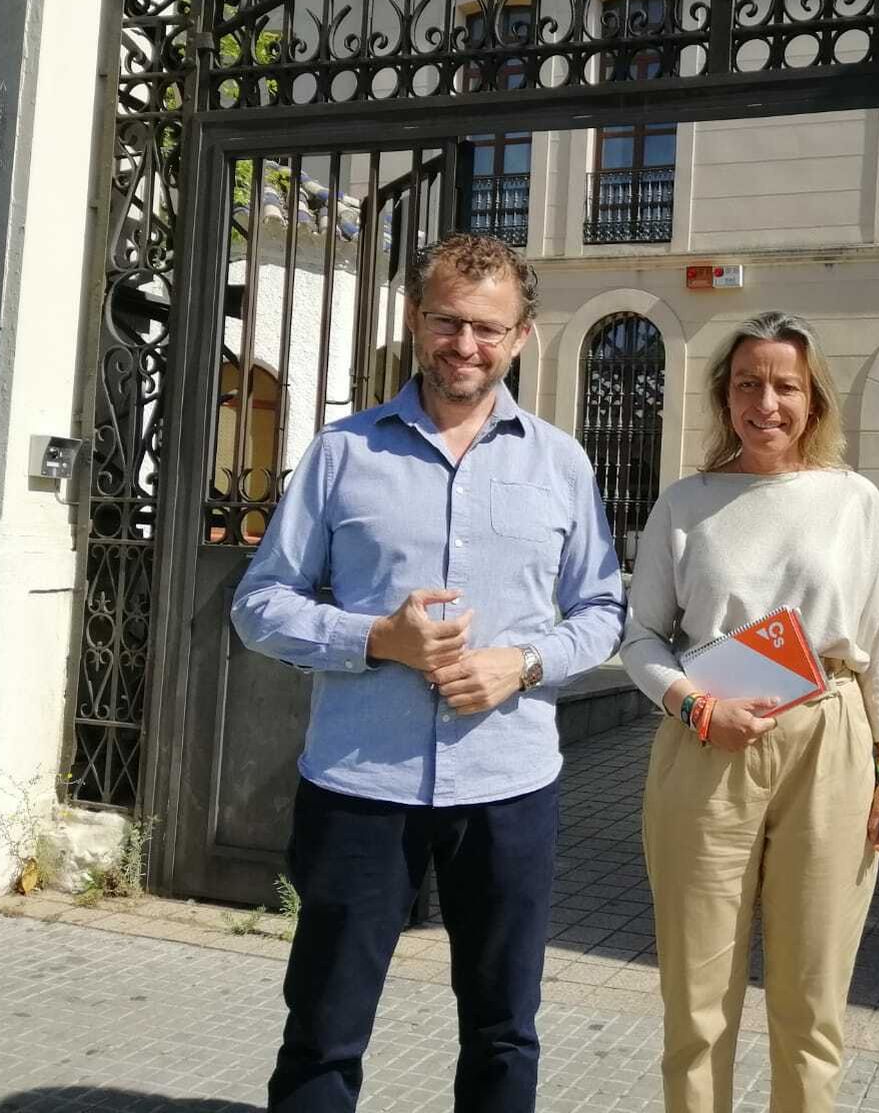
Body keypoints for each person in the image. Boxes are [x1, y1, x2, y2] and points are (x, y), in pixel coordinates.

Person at [231, 233, 625, 1112]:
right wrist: (377, 638)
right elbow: (260, 604)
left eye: (488, 328)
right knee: (324, 1030)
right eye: (447, 321)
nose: (465, 345)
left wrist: (521, 664)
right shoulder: (342, 453)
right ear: (416, 320)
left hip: (509, 786)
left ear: (522, 336)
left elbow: (604, 611)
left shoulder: (561, 463)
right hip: (360, 783)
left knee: (503, 1027)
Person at [621, 311, 879, 1113]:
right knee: (697, 1006)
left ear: (812, 398)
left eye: (786, 384)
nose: (767, 402)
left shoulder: (853, 499)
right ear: (725, 395)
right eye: (748, 383)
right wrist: (694, 704)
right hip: (705, 740)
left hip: (831, 739)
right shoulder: (687, 503)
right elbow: (640, 637)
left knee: (812, 1006)